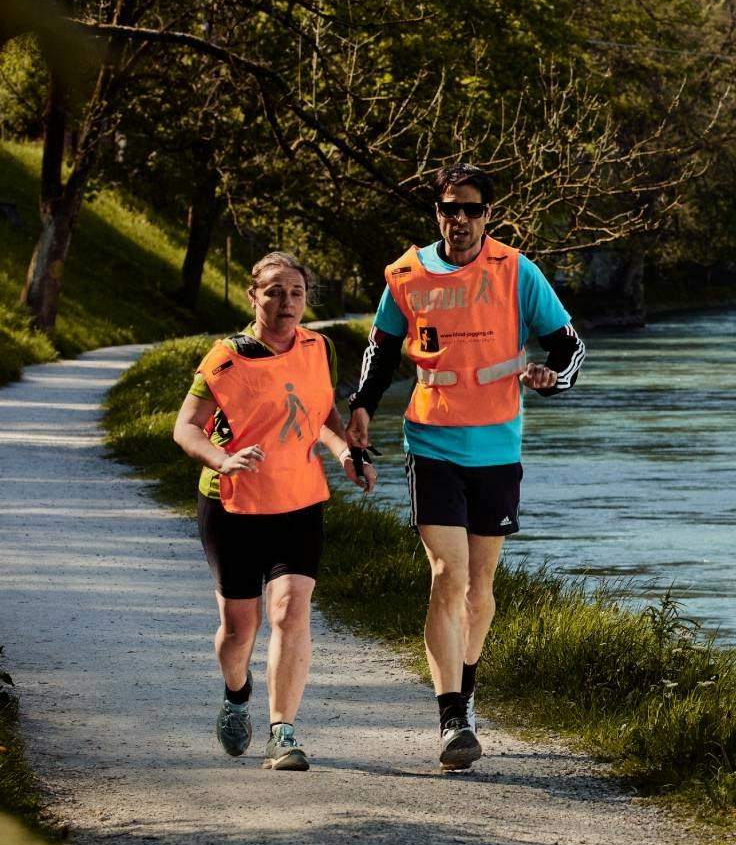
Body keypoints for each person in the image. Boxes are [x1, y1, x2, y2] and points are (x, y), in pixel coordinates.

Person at [345, 163, 585, 770]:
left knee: (481, 588)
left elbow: (569, 345)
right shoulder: (406, 275)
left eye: (471, 210)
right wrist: (362, 411)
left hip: (498, 449)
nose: (459, 220)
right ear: (437, 214)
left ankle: (467, 690)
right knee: (448, 577)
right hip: (431, 444)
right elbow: (379, 351)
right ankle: (452, 716)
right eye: (449, 208)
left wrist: (551, 379)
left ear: (488, 216)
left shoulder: (515, 272)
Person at [172, 250, 376, 771]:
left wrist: (345, 454)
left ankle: (282, 733)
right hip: (233, 504)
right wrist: (223, 458)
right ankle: (236, 694)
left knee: (290, 609)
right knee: (241, 628)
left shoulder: (319, 346)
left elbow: (322, 418)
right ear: (253, 296)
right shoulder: (225, 358)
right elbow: (186, 427)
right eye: (275, 292)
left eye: (296, 293)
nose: (286, 303)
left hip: (299, 501)